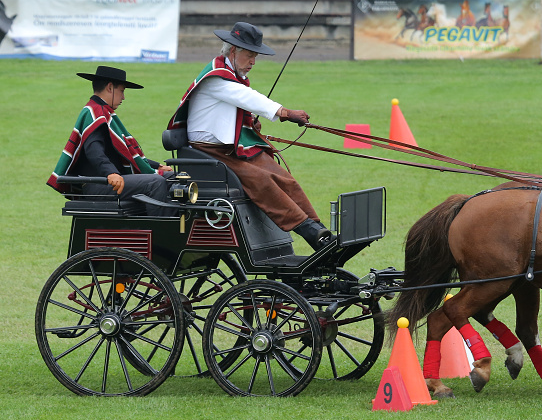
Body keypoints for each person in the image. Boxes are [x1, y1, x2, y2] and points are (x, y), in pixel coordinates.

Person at [167, 21, 332, 250]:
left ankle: (319, 229)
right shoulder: (216, 78)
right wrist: (284, 112)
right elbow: (246, 97)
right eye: (250, 55)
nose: (253, 62)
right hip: (209, 152)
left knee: (282, 176)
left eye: (256, 56)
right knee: (262, 181)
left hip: (230, 147)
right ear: (233, 51)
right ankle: (307, 230)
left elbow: (236, 105)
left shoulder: (229, 75)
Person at [48, 66, 174, 216]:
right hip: (97, 184)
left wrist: (155, 165)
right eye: (122, 91)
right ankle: (161, 235)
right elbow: (93, 150)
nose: (123, 97)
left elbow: (121, 153)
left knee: (172, 178)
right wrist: (111, 173)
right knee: (155, 183)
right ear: (110, 88)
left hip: (109, 179)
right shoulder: (96, 113)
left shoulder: (102, 111)